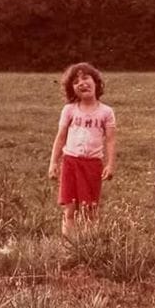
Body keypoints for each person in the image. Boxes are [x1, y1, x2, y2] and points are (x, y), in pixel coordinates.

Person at [48, 62, 116, 236]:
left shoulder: (106, 112)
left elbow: (110, 140)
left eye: (86, 78)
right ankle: (67, 245)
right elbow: (61, 137)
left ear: (96, 82)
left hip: (92, 165)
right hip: (70, 163)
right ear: (72, 89)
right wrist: (53, 163)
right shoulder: (69, 110)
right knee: (70, 209)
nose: (82, 83)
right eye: (76, 81)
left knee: (90, 210)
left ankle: (88, 245)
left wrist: (110, 164)